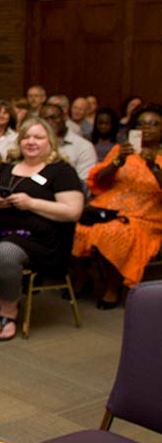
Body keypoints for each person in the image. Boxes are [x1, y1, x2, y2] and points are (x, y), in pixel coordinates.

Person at [0, 117, 84, 341]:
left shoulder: (61, 171)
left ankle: (8, 311)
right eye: (26, 137)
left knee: (5, 253)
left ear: (50, 141)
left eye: (38, 137)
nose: (31, 142)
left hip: (39, 239)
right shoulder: (8, 166)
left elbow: (72, 211)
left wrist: (32, 203)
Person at [72, 105, 162, 308]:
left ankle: (113, 287)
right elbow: (99, 181)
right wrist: (117, 162)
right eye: (141, 124)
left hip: (146, 214)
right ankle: (82, 277)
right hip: (107, 207)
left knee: (113, 232)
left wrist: (153, 167)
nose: (146, 129)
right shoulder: (120, 150)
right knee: (73, 224)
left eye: (154, 124)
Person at [41, 103, 96, 181]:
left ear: (64, 118)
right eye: (44, 119)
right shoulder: (35, 145)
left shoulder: (84, 146)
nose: (49, 122)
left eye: (54, 118)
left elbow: (85, 183)